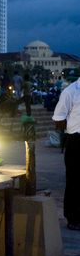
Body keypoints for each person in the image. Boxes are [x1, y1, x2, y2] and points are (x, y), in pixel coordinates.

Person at [52, 76, 80, 231]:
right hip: (76, 141)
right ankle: (73, 217)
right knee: (74, 180)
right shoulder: (71, 91)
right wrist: (70, 134)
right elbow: (59, 118)